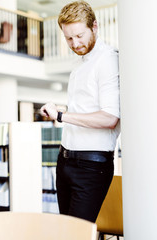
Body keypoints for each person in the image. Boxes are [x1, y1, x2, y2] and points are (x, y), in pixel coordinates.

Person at [40, 0, 120, 222]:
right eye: (69, 38)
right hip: (65, 161)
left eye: (79, 35)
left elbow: (110, 117)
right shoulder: (78, 66)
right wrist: (58, 111)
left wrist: (62, 116)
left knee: (77, 235)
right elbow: (84, 112)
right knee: (67, 232)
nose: (75, 43)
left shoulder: (108, 60)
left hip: (91, 166)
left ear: (94, 26)